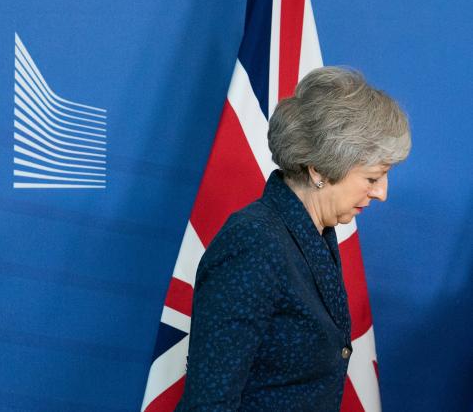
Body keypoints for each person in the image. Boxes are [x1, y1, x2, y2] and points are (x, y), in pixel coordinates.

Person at [175, 67, 411, 411]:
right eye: (373, 177)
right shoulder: (255, 242)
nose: (382, 193)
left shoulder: (313, 232)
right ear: (318, 170)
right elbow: (209, 402)